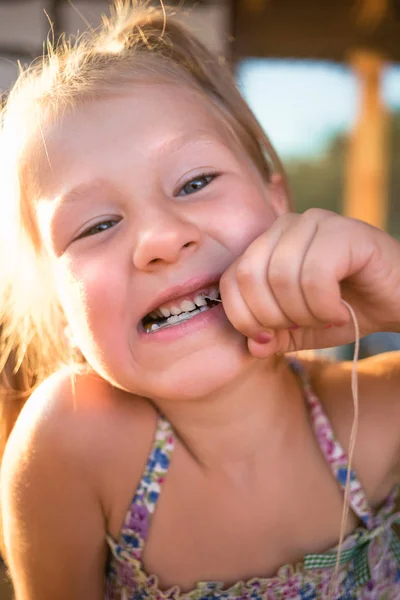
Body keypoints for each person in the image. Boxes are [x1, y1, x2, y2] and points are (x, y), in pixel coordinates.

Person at [0, 2, 399, 599]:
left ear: (277, 203)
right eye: (97, 225)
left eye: (196, 182)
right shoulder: (73, 442)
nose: (161, 239)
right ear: (63, 314)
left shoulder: (379, 413)